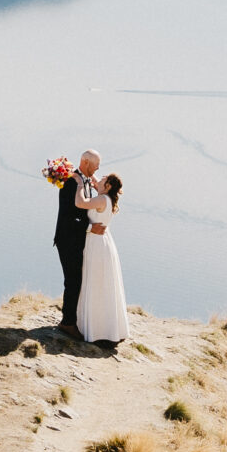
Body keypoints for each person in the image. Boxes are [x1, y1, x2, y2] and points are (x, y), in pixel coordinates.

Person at [76, 172, 130, 348]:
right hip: (102, 241)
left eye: (103, 180)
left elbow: (80, 203)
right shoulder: (106, 198)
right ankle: (106, 328)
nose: (98, 180)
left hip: (97, 244)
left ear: (107, 186)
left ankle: (96, 329)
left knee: (95, 282)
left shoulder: (101, 199)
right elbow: (95, 182)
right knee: (103, 283)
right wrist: (91, 179)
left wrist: (78, 185)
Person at [53, 148, 100, 338]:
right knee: (72, 280)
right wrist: (90, 228)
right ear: (85, 162)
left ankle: (73, 318)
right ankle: (68, 323)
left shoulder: (85, 180)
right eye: (96, 165)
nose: (97, 169)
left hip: (77, 239)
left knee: (77, 279)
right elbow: (69, 217)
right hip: (68, 238)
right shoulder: (72, 183)